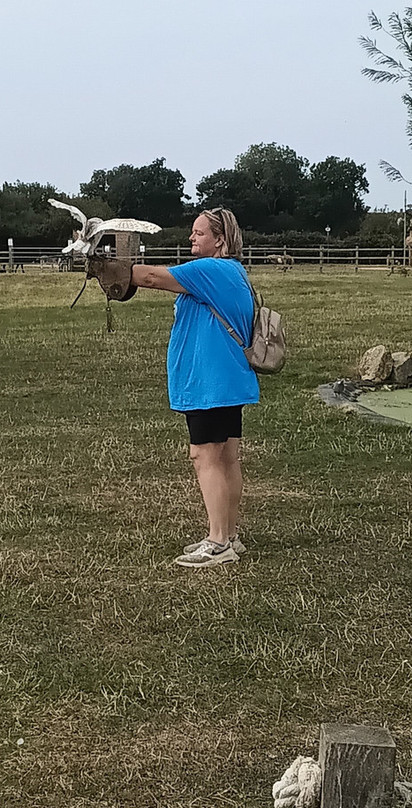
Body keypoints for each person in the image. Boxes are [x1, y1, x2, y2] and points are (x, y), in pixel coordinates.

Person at [130, 207, 259, 568]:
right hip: (226, 380)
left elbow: (152, 277)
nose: (191, 238)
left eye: (199, 233)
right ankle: (229, 535)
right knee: (227, 457)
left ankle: (218, 542)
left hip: (209, 382)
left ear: (220, 240)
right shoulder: (233, 273)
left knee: (205, 456)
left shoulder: (212, 270)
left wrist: (102, 262)